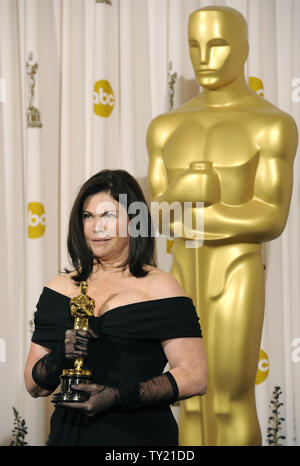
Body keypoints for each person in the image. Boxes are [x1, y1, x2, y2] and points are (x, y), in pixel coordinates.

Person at [24, 169, 208, 446]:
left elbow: (195, 376)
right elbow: (33, 385)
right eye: (88, 216)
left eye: (109, 215)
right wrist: (62, 355)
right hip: (69, 435)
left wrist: (118, 396)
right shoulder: (58, 289)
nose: (96, 227)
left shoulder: (160, 287)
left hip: (138, 437)